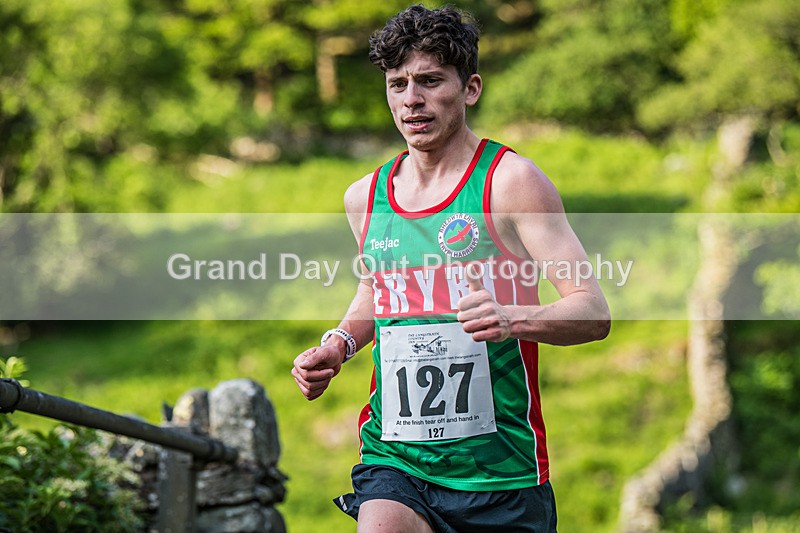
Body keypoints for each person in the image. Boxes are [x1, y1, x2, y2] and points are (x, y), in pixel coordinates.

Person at [292, 5, 610, 532]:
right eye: (397, 84)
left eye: (430, 81)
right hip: (397, 458)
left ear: (471, 88)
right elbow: (378, 292)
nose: (411, 100)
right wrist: (340, 343)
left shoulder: (511, 184)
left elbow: (593, 312)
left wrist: (513, 320)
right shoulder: (364, 197)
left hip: (499, 473)